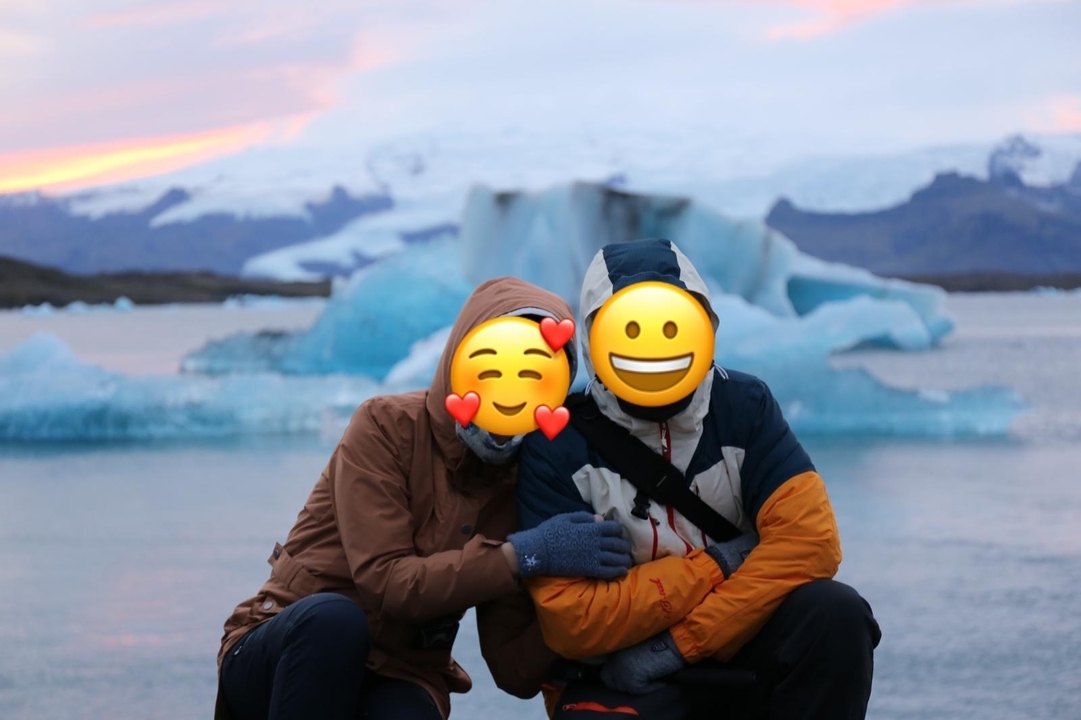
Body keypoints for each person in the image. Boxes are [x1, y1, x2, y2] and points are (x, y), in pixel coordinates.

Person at [214, 277, 633, 720]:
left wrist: (583, 599)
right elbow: (389, 582)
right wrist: (528, 555)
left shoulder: (525, 477)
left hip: (402, 671)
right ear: (460, 358)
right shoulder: (385, 426)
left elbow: (513, 671)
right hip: (284, 653)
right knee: (334, 623)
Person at [516, 239, 882, 719]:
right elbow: (573, 620)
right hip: (612, 673)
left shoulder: (744, 409)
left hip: (733, 647)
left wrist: (675, 645)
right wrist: (721, 562)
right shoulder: (558, 443)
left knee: (835, 615)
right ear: (592, 338)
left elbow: (811, 542)